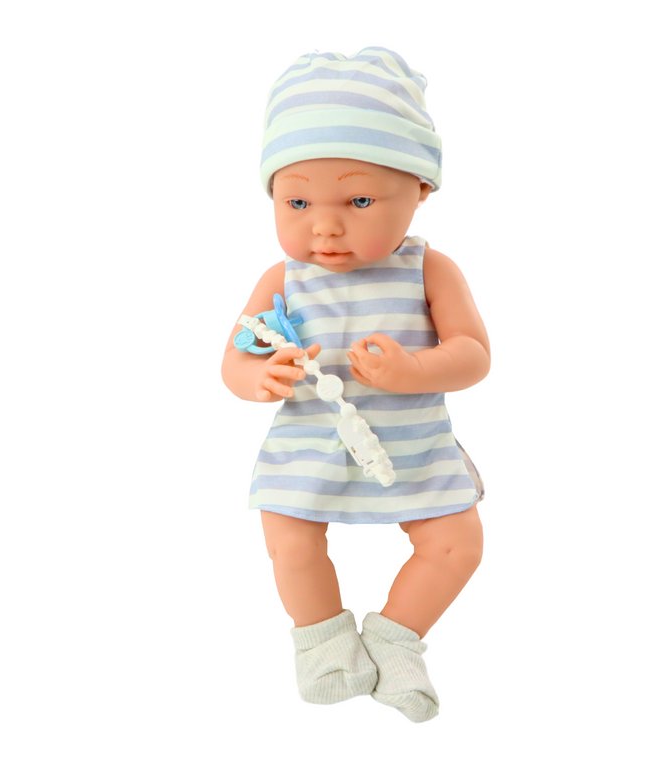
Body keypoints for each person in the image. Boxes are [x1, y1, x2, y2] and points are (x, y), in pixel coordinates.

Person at [221, 47, 490, 723]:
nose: (325, 224)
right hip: (309, 445)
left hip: (411, 442)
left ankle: (396, 640)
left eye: (359, 199)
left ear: (420, 190)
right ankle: (323, 644)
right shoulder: (284, 279)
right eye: (297, 200)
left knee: (457, 544)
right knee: (289, 539)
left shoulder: (429, 270)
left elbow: (473, 354)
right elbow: (234, 359)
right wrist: (260, 376)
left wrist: (415, 370)